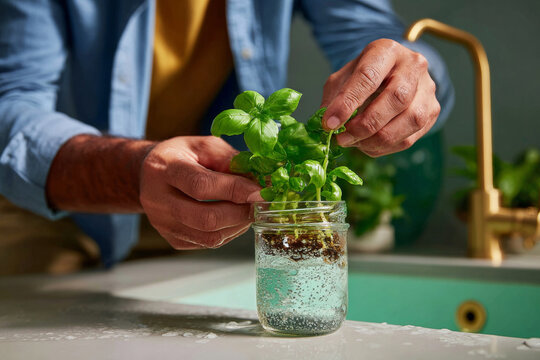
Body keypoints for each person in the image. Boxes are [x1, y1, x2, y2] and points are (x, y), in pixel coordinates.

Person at [0, 0, 454, 274]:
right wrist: (131, 171)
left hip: (211, 219)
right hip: (48, 209)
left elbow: (373, 34)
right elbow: (12, 102)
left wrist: (407, 74)